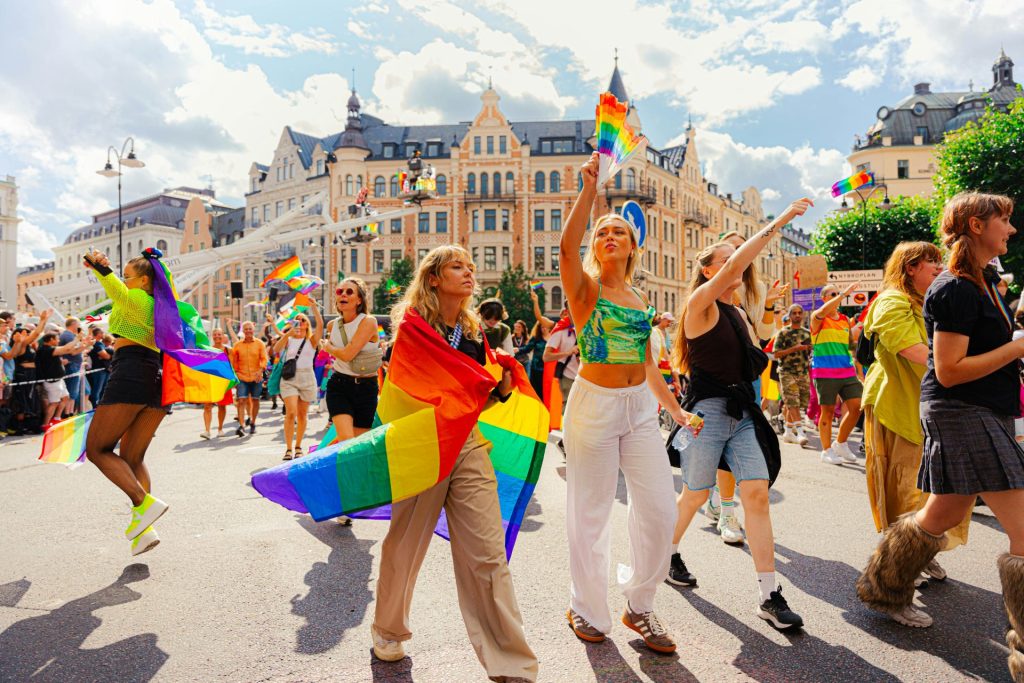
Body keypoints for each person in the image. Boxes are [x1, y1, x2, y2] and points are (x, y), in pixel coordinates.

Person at [858, 195, 1024, 664]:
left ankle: (884, 587)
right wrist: (1019, 346)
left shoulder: (986, 280)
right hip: (961, 409)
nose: (1011, 229)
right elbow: (948, 370)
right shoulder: (954, 288)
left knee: (941, 513)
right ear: (976, 225)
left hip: (980, 409)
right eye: (1004, 220)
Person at [370, 245, 537, 682]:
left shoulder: (473, 330)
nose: (468, 272)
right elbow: (415, 387)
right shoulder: (411, 327)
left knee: (488, 553)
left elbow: (475, 395)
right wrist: (482, 378)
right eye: (456, 266)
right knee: (405, 545)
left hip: (465, 444)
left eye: (470, 266)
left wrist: (500, 383)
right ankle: (388, 629)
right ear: (433, 278)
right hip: (421, 443)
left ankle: (511, 663)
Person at [559, 152, 694, 653]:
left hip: (639, 409)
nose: (608, 236)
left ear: (634, 243)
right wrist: (589, 193)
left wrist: (675, 411)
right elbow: (566, 247)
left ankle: (639, 605)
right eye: (601, 232)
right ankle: (588, 609)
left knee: (659, 511)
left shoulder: (640, 300)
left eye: (618, 231)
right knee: (590, 513)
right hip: (593, 407)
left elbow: (649, 366)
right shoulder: (585, 290)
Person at [670, 196, 813, 632]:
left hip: (743, 412)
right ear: (710, 270)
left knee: (755, 495)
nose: (736, 263)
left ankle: (768, 593)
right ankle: (667, 552)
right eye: (727, 258)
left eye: (736, 256)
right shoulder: (701, 301)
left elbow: (760, 346)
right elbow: (738, 267)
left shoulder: (736, 311)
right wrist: (784, 217)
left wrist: (768, 304)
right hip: (709, 412)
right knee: (694, 496)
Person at [860, 241, 969, 590]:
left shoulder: (927, 302)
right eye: (931, 263)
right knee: (907, 488)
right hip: (896, 406)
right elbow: (914, 351)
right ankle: (897, 571)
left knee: (927, 489)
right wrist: (967, 369)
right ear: (909, 267)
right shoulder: (892, 301)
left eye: (940, 261)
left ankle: (919, 551)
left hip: (924, 407)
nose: (939, 268)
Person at [82, 248, 170, 557]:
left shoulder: (139, 299)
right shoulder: (159, 304)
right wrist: (101, 269)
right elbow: (118, 290)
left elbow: (117, 291)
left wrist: (101, 269)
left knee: (97, 449)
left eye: (127, 276)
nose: (123, 280)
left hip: (132, 369)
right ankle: (144, 531)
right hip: (158, 376)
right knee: (133, 457)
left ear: (144, 280)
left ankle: (144, 503)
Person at [707, 232, 790, 544]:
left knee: (743, 442)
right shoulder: (712, 284)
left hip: (749, 374)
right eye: (731, 247)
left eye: (743, 246)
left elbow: (765, 334)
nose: (738, 251)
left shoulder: (756, 287)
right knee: (721, 442)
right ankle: (726, 509)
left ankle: (722, 501)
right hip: (716, 374)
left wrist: (767, 305)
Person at [323, 278, 381, 527]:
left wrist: (328, 347)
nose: (343, 294)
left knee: (356, 451)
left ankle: (341, 490)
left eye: (350, 291)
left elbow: (347, 354)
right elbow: (342, 358)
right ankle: (342, 505)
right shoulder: (331, 325)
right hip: (340, 386)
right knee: (347, 444)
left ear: (359, 299)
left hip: (366, 389)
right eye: (340, 291)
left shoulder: (368, 322)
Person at [811, 282, 864, 465]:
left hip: (846, 372)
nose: (836, 296)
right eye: (831, 294)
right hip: (825, 372)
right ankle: (826, 451)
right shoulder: (817, 317)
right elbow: (821, 313)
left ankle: (840, 442)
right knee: (827, 411)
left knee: (857, 406)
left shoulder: (844, 320)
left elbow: (849, 346)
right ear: (824, 298)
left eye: (837, 294)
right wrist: (843, 294)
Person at [273, 305, 323, 460]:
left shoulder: (312, 341)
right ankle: (288, 448)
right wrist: (288, 333)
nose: (300, 323)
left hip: (307, 378)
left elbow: (320, 325)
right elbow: (276, 349)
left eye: (303, 320)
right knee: (291, 412)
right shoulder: (289, 339)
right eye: (297, 320)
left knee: (302, 415)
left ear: (307, 324)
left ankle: (298, 446)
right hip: (290, 379)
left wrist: (314, 308)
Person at [772, 304, 812, 446]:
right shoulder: (783, 333)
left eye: (799, 313)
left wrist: (809, 350)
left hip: (803, 372)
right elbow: (776, 354)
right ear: (789, 316)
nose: (797, 315)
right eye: (794, 313)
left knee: (800, 403)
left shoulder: (807, 333)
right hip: (786, 371)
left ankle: (788, 431)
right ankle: (800, 431)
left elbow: (810, 352)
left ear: (803, 315)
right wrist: (795, 348)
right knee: (792, 400)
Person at [35, 332, 87, 428]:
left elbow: (70, 350)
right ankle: (45, 424)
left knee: (65, 397)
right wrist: (76, 339)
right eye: (57, 339)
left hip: (59, 380)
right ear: (51, 340)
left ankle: (56, 419)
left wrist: (86, 345)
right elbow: (66, 348)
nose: (58, 341)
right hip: (52, 381)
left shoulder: (50, 350)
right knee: (54, 403)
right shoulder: (45, 350)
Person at [229, 321, 268, 437]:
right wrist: (235, 374)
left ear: (253, 330)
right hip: (242, 377)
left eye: (250, 329)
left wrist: (260, 371)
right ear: (243, 331)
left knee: (255, 400)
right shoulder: (237, 345)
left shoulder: (260, 344)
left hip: (256, 377)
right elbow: (233, 361)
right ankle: (241, 425)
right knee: (241, 401)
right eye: (245, 329)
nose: (248, 331)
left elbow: (264, 359)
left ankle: (253, 422)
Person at [200, 328, 233, 440]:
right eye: (215, 335)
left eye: (219, 334)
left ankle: (220, 429)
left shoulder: (228, 350)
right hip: (210, 380)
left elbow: (231, 366)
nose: (217, 336)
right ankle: (207, 430)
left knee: (222, 406)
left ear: (223, 336)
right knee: (207, 406)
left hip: (223, 381)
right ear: (212, 336)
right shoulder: (208, 349)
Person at [515, 322, 549, 399]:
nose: (544, 329)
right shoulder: (536, 338)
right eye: (542, 327)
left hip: (549, 369)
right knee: (537, 391)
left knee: (547, 391)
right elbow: (527, 349)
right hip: (536, 369)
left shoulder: (553, 338)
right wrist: (518, 350)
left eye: (545, 327)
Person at [59, 317, 85, 416]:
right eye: (78, 324)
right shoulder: (68, 336)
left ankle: (69, 412)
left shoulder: (69, 335)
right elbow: (73, 352)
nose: (79, 326)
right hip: (71, 366)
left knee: (73, 392)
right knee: (71, 391)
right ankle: (67, 413)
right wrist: (85, 346)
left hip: (73, 365)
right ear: (73, 324)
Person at [87, 326, 112, 408]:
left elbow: (105, 355)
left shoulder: (98, 343)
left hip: (102, 369)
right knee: (97, 390)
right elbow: (105, 356)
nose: (103, 334)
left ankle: (101, 405)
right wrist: (111, 355)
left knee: (103, 389)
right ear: (97, 334)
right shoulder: (97, 343)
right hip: (98, 370)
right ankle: (95, 406)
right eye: (101, 332)